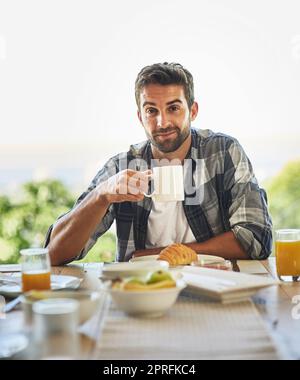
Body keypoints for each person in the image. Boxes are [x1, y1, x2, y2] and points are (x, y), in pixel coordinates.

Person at [45, 62, 272, 265]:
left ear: (193, 111)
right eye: (151, 111)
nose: (162, 122)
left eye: (173, 108)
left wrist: (164, 255)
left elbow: (257, 236)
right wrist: (101, 195)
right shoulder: (122, 166)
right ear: (140, 117)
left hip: (212, 288)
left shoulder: (223, 152)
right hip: (143, 293)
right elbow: (53, 254)